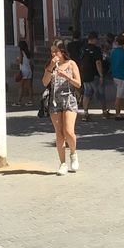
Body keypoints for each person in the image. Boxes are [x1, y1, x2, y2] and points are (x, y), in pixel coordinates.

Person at [42, 39, 82, 175]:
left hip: (69, 100)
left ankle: (73, 153)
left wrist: (66, 76)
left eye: (56, 51)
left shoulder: (71, 64)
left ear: (62, 52)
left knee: (68, 131)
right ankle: (63, 163)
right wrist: (50, 68)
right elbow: (44, 82)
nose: (53, 54)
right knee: (59, 133)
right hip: (54, 102)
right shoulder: (50, 65)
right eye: (51, 51)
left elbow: (78, 84)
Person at [78, 31, 107, 122]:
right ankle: (104, 112)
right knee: (100, 93)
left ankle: (85, 113)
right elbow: (98, 62)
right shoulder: (96, 49)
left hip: (85, 74)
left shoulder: (83, 48)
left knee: (87, 93)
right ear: (94, 39)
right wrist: (101, 75)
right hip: (94, 74)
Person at [108, 34, 124, 121]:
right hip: (123, 76)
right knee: (119, 96)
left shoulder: (113, 52)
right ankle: (117, 114)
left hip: (115, 75)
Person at [14, 40, 33, 106]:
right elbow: (31, 62)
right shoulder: (28, 53)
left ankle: (18, 101)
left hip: (23, 70)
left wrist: (17, 60)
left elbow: (20, 61)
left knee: (21, 86)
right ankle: (30, 101)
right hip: (29, 70)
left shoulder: (21, 52)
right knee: (29, 87)